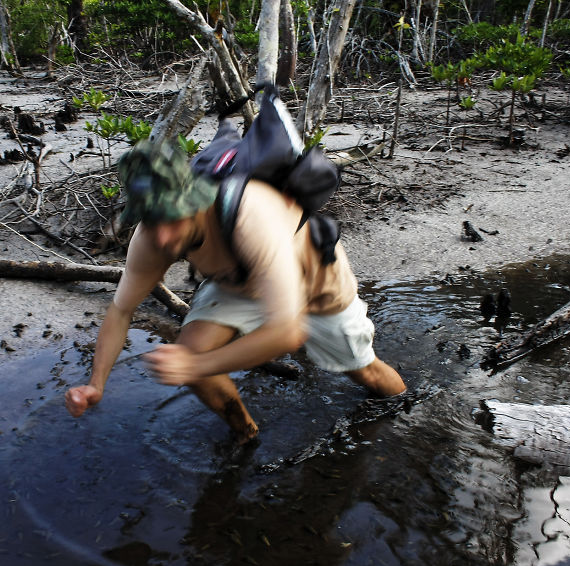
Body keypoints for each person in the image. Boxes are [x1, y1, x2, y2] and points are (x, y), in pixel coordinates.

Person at [65, 140, 405, 444]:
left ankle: (406, 413)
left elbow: (288, 332)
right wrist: (96, 384)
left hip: (314, 283)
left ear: (194, 201)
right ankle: (246, 434)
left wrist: (194, 367)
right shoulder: (151, 237)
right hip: (236, 280)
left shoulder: (250, 215)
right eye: (154, 220)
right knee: (191, 355)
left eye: (172, 217)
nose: (165, 237)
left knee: (364, 370)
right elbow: (121, 310)